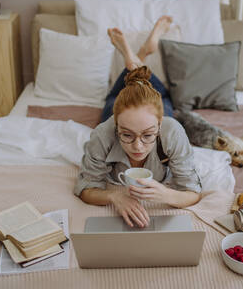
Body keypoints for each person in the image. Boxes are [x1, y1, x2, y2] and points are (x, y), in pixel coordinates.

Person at [74, 16, 202, 228]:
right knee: (113, 97)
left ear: (159, 125)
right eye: (126, 135)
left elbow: (193, 193)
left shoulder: (170, 130)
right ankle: (137, 57)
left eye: (148, 135)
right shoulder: (103, 132)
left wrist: (165, 194)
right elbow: (85, 188)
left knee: (164, 96)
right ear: (116, 126)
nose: (137, 146)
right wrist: (115, 196)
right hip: (118, 104)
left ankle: (136, 55)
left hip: (156, 107)